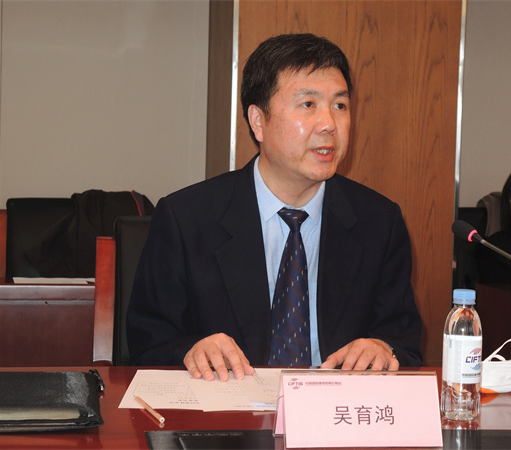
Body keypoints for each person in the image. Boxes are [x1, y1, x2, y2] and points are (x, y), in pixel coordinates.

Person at [126, 33, 422, 381]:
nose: (329, 124)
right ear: (258, 121)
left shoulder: (379, 222)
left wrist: (384, 349)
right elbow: (148, 343)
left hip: (333, 410)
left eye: (340, 106)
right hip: (227, 408)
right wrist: (191, 351)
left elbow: (404, 343)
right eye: (308, 104)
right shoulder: (186, 218)